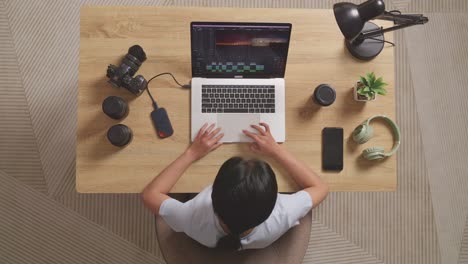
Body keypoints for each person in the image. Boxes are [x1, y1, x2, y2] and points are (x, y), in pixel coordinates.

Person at [142, 122, 329, 250]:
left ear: (213, 195)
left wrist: (191, 153)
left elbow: (150, 194)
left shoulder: (192, 216)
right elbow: (320, 187)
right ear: (273, 202)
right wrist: (277, 151)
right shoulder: (282, 214)